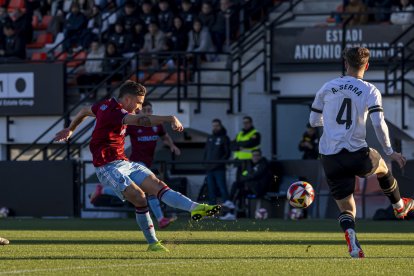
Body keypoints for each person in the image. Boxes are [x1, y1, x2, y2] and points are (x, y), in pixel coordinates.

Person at [55, 81, 220, 252]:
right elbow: (142, 121)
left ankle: (195, 208)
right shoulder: (116, 112)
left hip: (125, 162)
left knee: (157, 185)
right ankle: (153, 243)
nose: (140, 107)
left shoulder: (104, 105)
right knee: (140, 197)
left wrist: (71, 129)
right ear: (127, 99)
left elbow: (83, 111)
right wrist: (170, 118)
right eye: (139, 102)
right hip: (107, 167)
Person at [309, 47, 414, 258]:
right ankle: (399, 206)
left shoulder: (327, 87)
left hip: (330, 157)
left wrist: (330, 124)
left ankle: (352, 240)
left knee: (347, 208)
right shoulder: (370, 90)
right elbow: (378, 122)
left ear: (345, 64)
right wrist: (390, 150)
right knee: (383, 167)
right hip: (357, 153)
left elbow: (313, 121)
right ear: (367, 65)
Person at [126, 101, 181, 229]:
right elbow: (119, 135)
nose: (148, 112)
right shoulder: (133, 125)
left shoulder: (157, 125)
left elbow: (165, 137)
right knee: (150, 190)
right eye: (145, 110)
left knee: (134, 191)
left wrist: (172, 146)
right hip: (136, 163)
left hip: (147, 162)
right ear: (139, 111)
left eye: (149, 110)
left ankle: (102, 189)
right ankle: (161, 219)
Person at [221, 149, 272, 220]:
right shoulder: (249, 164)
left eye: (257, 155)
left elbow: (254, 176)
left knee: (238, 186)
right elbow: (242, 176)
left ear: (260, 156)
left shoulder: (263, 164)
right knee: (237, 188)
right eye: (254, 155)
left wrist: (247, 179)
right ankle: (231, 212)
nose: (255, 157)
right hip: (250, 187)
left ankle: (231, 206)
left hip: (259, 189)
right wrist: (247, 178)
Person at [203, 119, 231, 206]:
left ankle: (228, 211)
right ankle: (212, 211)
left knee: (222, 189)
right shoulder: (210, 138)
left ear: (221, 126)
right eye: (214, 125)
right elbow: (206, 152)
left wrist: (218, 163)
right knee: (211, 190)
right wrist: (205, 163)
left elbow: (227, 153)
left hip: (219, 169)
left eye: (217, 125)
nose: (215, 127)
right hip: (209, 169)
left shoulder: (225, 138)